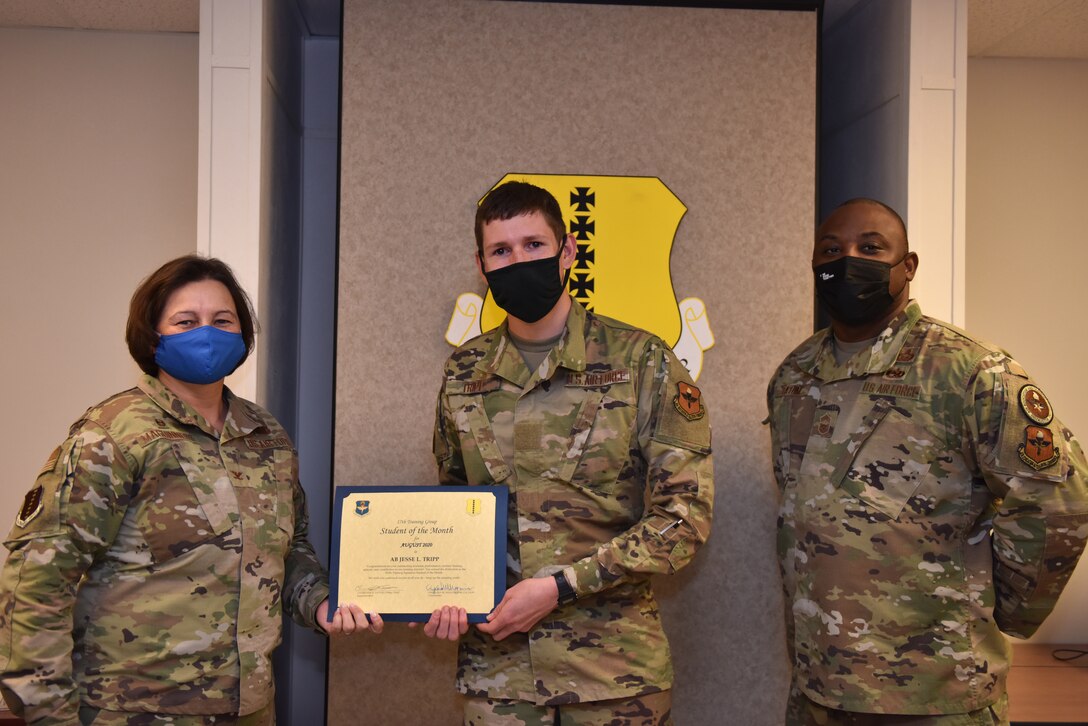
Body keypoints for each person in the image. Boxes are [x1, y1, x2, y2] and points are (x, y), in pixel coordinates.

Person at [0, 255, 380, 726]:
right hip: (132, 711)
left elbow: (290, 550)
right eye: (186, 321)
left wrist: (320, 602)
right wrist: (49, 715)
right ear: (153, 336)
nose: (208, 332)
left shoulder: (267, 437)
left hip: (250, 709)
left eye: (223, 320)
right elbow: (35, 582)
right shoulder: (112, 435)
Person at [767, 198, 1088, 726]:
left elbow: (1058, 504)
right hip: (818, 688)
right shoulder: (794, 376)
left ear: (907, 266)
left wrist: (1000, 608)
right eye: (831, 250)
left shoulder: (971, 371)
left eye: (870, 248)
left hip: (935, 694)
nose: (848, 260)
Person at [423, 180, 714, 725]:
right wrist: (440, 590)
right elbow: (455, 507)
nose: (518, 260)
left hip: (614, 675)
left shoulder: (643, 361)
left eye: (534, 245)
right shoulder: (463, 373)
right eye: (501, 251)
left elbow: (684, 519)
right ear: (481, 266)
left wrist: (561, 587)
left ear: (568, 251)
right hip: (499, 676)